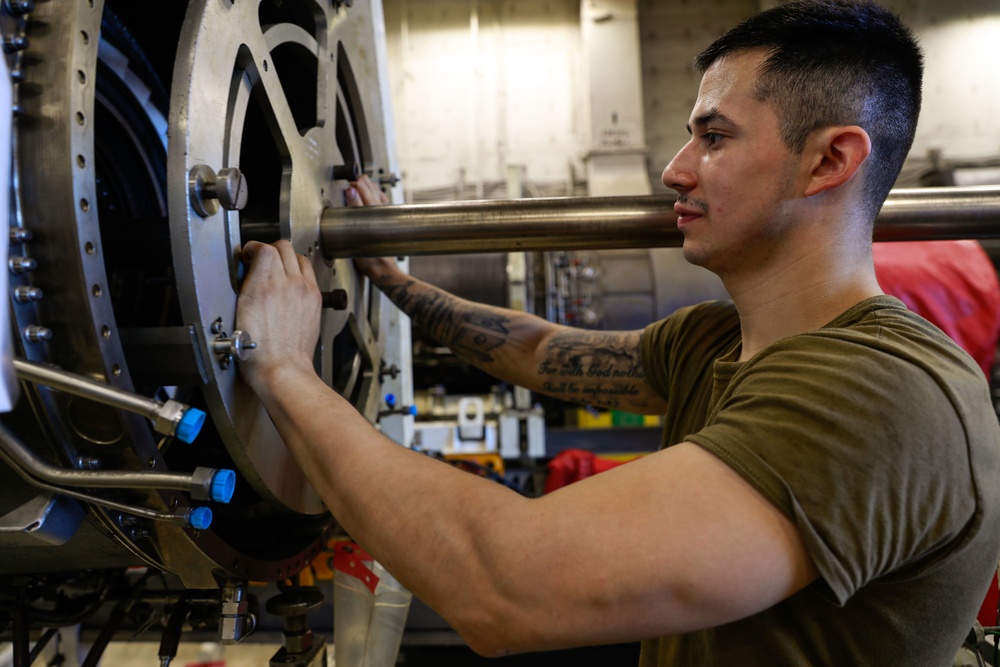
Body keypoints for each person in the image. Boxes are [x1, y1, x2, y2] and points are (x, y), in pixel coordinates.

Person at [235, 0, 1000, 664]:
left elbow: (502, 585)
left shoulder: (877, 398)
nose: (675, 168)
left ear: (829, 160)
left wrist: (285, 370)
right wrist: (394, 282)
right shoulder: (718, 341)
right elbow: (540, 352)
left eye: (715, 137)